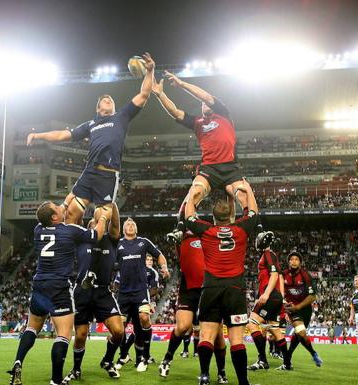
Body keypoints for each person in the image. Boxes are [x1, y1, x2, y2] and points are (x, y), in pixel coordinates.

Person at [26, 53, 155, 226]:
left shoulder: (121, 117)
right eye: (104, 100)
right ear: (98, 108)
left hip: (107, 174)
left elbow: (144, 94)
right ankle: (73, 250)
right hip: (89, 172)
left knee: (101, 217)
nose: (108, 100)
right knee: (72, 212)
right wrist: (38, 135)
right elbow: (62, 135)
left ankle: (97, 249)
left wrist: (150, 71)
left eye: (110, 100)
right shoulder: (91, 124)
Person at [7, 201, 112, 385]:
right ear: (54, 217)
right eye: (57, 207)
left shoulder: (38, 230)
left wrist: (67, 202)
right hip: (59, 286)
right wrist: (103, 217)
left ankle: (18, 362)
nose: (61, 207)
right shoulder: (70, 231)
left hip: (39, 285)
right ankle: (56, 380)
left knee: (32, 328)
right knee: (63, 334)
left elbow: (50, 213)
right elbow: (96, 235)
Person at [151, 70, 253, 243]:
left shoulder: (223, 113)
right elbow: (175, 112)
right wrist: (160, 94)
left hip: (230, 167)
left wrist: (181, 84)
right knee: (195, 193)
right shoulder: (197, 122)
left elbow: (205, 96)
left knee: (243, 196)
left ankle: (252, 230)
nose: (204, 104)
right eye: (202, 104)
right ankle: (180, 228)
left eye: (207, 102)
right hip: (209, 169)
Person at [184, 185, 259, 385]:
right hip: (235, 289)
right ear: (230, 215)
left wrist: (194, 194)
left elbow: (188, 215)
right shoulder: (241, 229)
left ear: (213, 216)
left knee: (207, 335)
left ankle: (204, 376)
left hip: (211, 288)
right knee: (236, 340)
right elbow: (253, 212)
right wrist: (248, 190)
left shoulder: (206, 230)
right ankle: (243, 382)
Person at [64, 203, 123, 383]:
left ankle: (107, 360)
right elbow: (71, 219)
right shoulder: (81, 239)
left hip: (103, 292)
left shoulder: (111, 239)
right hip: (82, 291)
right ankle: (76, 369)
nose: (95, 225)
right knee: (80, 336)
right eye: (92, 224)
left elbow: (115, 224)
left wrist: (112, 205)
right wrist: (84, 202)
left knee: (119, 331)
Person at [158, 231, 228, 384]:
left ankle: (221, 372)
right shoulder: (182, 236)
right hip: (189, 289)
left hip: (210, 288)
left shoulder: (209, 235)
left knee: (217, 336)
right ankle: (167, 359)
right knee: (183, 326)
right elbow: (185, 208)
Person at [114, 218, 169, 372]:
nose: (130, 226)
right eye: (127, 224)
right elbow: (111, 263)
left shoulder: (143, 242)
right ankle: (123, 355)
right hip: (123, 292)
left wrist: (163, 267)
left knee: (143, 320)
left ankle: (142, 357)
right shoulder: (118, 244)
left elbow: (159, 255)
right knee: (119, 328)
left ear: (136, 229)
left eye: (133, 224)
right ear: (123, 229)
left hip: (140, 291)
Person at [248, 232, 293, 371]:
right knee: (275, 330)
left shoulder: (268, 254)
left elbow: (274, 275)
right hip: (275, 296)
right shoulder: (268, 255)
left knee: (252, 324)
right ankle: (287, 363)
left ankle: (262, 360)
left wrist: (266, 294)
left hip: (271, 295)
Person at [283, 251, 323, 367]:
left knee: (299, 334)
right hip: (292, 309)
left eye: (297, 259)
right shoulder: (283, 274)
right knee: (301, 331)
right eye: (292, 259)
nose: (294, 261)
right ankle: (314, 353)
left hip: (305, 310)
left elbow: (313, 296)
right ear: (289, 262)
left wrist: (298, 307)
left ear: (300, 262)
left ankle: (288, 356)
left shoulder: (305, 275)